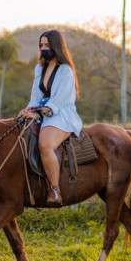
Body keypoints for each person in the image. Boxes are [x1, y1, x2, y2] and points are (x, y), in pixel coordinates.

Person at [19, 30, 82, 205]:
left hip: (61, 114)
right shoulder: (40, 69)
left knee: (45, 144)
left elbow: (59, 101)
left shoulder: (65, 71)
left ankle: (55, 190)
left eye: (47, 45)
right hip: (42, 112)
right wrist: (28, 110)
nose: (44, 48)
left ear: (56, 46)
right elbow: (35, 97)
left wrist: (39, 112)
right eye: (41, 45)